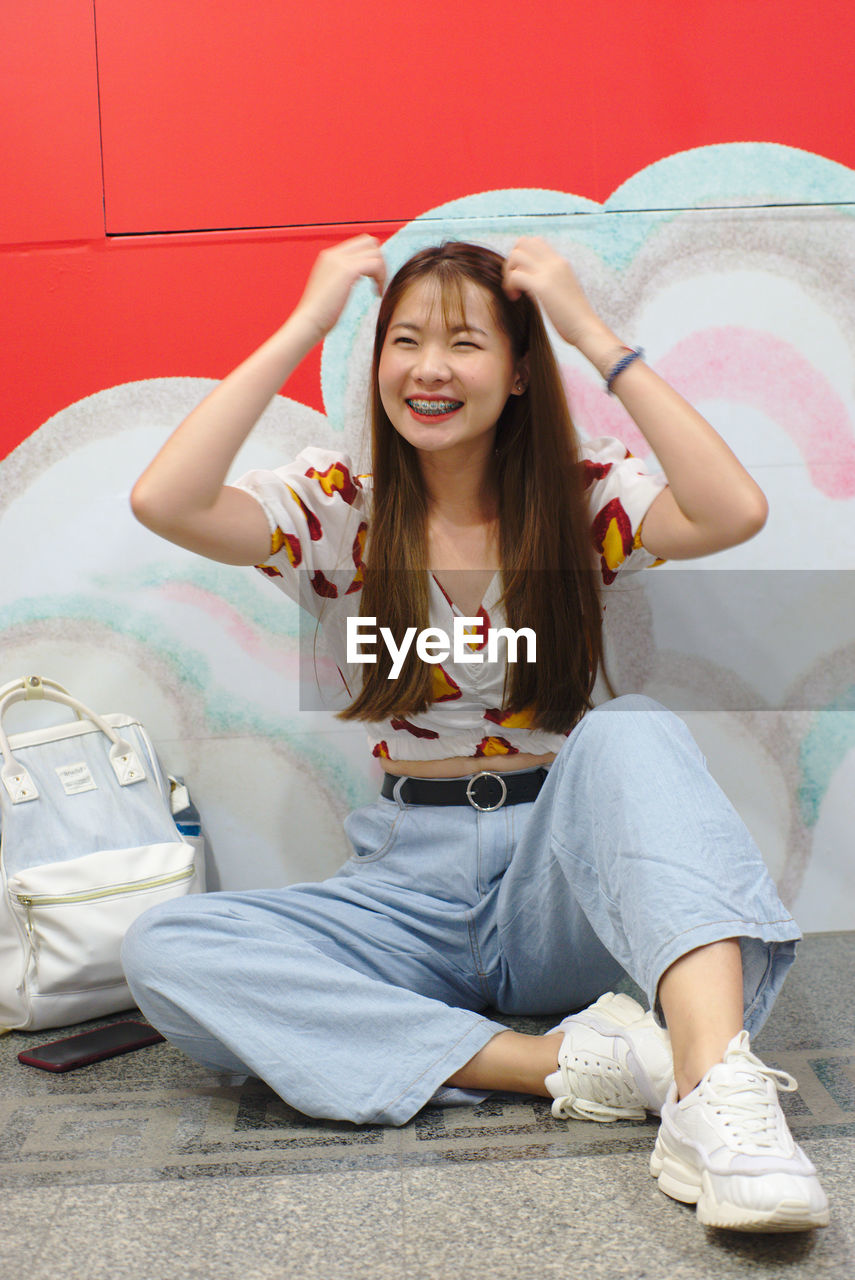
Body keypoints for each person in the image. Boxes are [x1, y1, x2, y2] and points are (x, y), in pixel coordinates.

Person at [124, 234, 829, 1232]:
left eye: (464, 342)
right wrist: (308, 322)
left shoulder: (581, 505)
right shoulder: (339, 513)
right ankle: (579, 1063)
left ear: (518, 372)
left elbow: (732, 507)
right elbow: (167, 498)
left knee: (629, 729)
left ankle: (716, 1093)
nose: (428, 368)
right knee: (165, 944)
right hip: (406, 881)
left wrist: (587, 329)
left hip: (557, 874)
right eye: (403, 341)